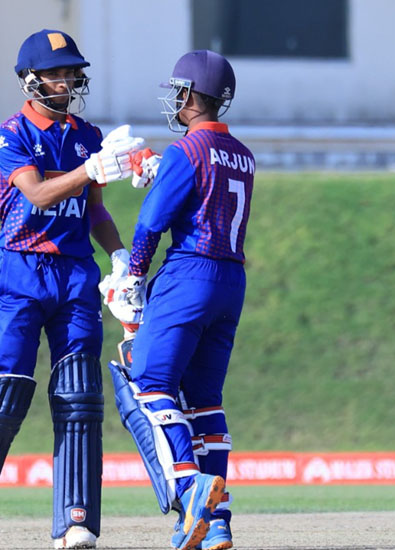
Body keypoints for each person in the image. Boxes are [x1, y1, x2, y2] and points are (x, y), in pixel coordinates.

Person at [0, 29, 144, 549]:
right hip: (22, 270)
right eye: (56, 73)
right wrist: (89, 169)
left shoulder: (88, 135)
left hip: (75, 272)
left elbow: (94, 210)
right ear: (31, 80)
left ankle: (76, 520)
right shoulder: (11, 135)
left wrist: (119, 255)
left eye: (72, 72)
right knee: (6, 389)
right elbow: (39, 194)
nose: (67, 81)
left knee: (79, 394)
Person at [106, 50, 254, 550]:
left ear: (190, 94)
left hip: (189, 275)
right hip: (231, 280)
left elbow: (151, 223)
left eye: (178, 91)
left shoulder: (185, 151)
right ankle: (218, 521)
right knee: (206, 401)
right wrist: (160, 171)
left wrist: (134, 275)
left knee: (149, 383)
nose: (174, 99)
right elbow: (205, 194)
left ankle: (191, 492)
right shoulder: (243, 155)